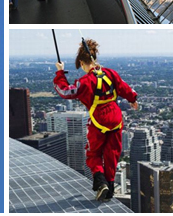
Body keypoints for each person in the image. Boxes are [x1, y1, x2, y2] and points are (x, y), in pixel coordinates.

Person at [53, 39, 139, 201]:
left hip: (99, 121)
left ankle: (101, 183)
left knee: (93, 153)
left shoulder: (85, 82)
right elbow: (124, 87)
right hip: (116, 119)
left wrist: (60, 72)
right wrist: (133, 99)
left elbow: (65, 91)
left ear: (81, 62)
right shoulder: (111, 73)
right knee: (112, 154)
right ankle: (111, 187)